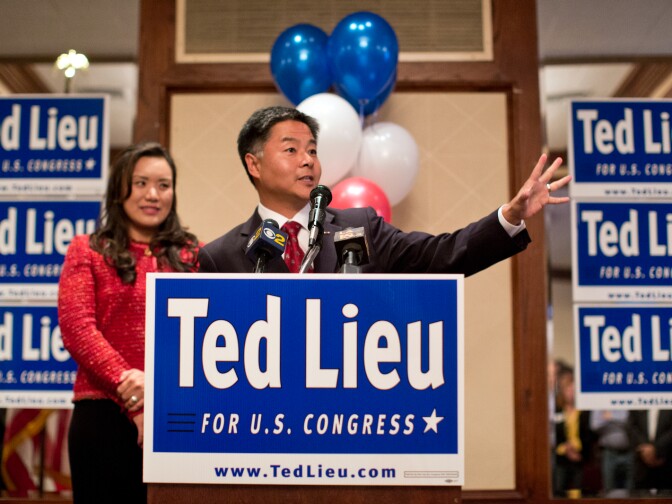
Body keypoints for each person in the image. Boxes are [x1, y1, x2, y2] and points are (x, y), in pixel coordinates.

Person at [198, 105, 571, 275]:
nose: (308, 160)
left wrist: (509, 217)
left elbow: (439, 256)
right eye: (292, 149)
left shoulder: (357, 227)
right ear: (254, 164)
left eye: (313, 149)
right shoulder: (221, 257)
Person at [58, 142, 200, 504]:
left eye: (164, 185)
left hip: (176, 411)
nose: (153, 195)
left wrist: (157, 387)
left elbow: (204, 336)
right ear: (119, 189)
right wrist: (133, 389)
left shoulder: (193, 254)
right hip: (102, 415)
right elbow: (78, 329)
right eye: (140, 183)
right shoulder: (87, 249)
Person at [552, 366, 592, 498]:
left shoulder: (585, 411)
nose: (571, 392)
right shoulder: (557, 410)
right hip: (561, 458)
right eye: (569, 389)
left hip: (580, 457)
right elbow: (553, 432)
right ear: (563, 391)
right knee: (559, 492)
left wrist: (578, 451)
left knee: (579, 492)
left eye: (574, 389)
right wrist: (565, 448)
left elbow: (589, 434)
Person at [628, 409, 672, 495]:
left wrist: (656, 449)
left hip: (666, 460)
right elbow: (631, 426)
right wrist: (646, 449)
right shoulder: (637, 403)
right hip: (641, 462)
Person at [590, 409, 634, 496]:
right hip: (609, 453)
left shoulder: (627, 399)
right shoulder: (598, 402)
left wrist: (610, 418)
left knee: (631, 492)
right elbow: (594, 425)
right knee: (608, 491)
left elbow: (629, 423)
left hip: (629, 452)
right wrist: (620, 423)